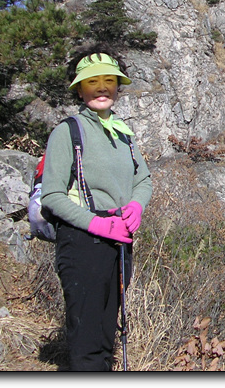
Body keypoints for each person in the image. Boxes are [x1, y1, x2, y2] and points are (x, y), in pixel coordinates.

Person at [41, 48, 152, 371]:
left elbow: (142, 178)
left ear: (118, 87)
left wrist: (135, 205)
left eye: (108, 81)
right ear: (79, 89)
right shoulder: (68, 132)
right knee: (87, 337)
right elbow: (52, 196)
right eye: (92, 82)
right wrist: (97, 225)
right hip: (81, 242)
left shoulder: (122, 133)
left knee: (106, 332)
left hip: (120, 242)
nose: (101, 88)